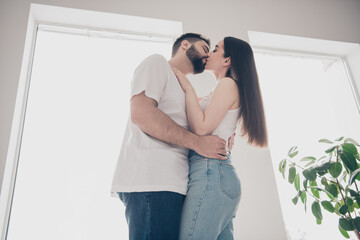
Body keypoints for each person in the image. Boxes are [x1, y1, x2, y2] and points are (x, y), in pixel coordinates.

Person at [111, 33, 233, 240]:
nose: (207, 55)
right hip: (152, 182)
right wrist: (198, 143)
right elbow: (142, 114)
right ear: (185, 45)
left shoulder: (185, 91)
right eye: (205, 48)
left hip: (175, 185)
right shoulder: (157, 63)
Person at [172, 37, 268, 239]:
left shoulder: (227, 84)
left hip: (211, 173)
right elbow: (189, 107)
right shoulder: (220, 89)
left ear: (227, 61)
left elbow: (201, 127)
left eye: (216, 49)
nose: (209, 53)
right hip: (218, 175)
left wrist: (188, 86)